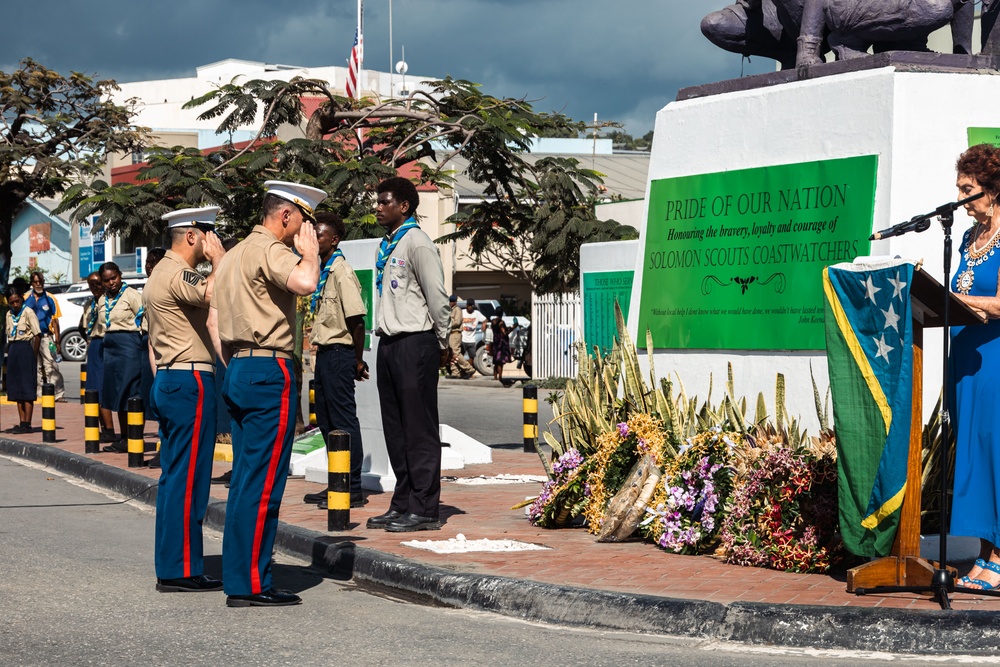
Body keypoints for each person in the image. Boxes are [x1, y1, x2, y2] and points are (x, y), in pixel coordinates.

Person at [213, 180, 324, 607]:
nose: (303, 231)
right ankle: (251, 583)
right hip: (268, 367)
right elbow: (304, 282)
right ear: (285, 215)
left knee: (244, 479)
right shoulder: (270, 249)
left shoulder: (234, 254)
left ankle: (241, 576)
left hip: (239, 365)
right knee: (263, 484)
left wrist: (239, 362)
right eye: (302, 221)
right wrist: (310, 254)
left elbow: (218, 326)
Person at [143, 207, 226, 593]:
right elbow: (217, 291)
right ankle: (179, 569)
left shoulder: (161, 271)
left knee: (178, 477)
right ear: (192, 236)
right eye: (207, 233)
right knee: (188, 479)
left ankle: (176, 564)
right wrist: (220, 259)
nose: (211, 240)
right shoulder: (178, 272)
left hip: (173, 378)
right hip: (188, 378)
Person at [369, 176, 450, 533]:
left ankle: (425, 507)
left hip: (415, 342)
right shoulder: (385, 246)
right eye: (377, 201)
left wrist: (443, 341)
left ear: (404, 206)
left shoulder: (417, 242)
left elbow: (437, 295)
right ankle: (402, 502)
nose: (377, 207)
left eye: (384, 202)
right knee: (396, 430)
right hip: (388, 343)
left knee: (419, 428)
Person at [949, 142, 1000, 590]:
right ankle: (983, 554)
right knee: (974, 457)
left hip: (995, 362)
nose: (963, 198)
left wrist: (959, 302)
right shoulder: (967, 238)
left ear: (992, 189)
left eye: (970, 190)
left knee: (995, 452)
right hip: (965, 360)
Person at [303, 211, 369, 511]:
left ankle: (352, 487)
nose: (315, 238)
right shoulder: (324, 271)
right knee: (328, 422)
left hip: (340, 354)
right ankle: (337, 483)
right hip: (325, 355)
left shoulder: (341, 272)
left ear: (334, 239)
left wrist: (357, 360)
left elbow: (357, 321)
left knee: (343, 421)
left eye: (320, 234)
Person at [97, 262, 144, 453]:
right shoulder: (102, 300)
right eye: (106, 280)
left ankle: (134, 436)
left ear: (120, 275)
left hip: (129, 345)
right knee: (116, 393)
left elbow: (144, 318)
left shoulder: (131, 295)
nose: (111, 283)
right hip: (110, 347)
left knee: (130, 392)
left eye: (114, 278)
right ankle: (123, 437)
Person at [79, 271, 117, 442]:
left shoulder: (109, 302)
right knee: (93, 389)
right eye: (91, 284)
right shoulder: (89, 304)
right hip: (93, 344)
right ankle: (103, 428)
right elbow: (83, 326)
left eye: (97, 283)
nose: (94, 287)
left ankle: (109, 429)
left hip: (105, 343)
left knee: (102, 389)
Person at [24, 271, 65, 401]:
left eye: (40, 281)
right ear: (32, 283)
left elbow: (55, 320)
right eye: (35, 282)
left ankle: (58, 394)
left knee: (51, 365)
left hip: (46, 337)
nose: (38, 284)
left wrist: (57, 341)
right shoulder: (25, 298)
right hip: (30, 337)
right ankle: (39, 394)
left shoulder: (50, 298)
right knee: (35, 366)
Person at [5, 286, 41, 433]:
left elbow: (37, 334)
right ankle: (21, 422)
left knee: (27, 387)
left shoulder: (28, 312)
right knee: (16, 388)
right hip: (13, 349)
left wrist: (33, 355)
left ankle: (28, 423)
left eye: (17, 301)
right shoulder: (8, 314)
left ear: (22, 299)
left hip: (25, 349)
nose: (15, 305)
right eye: (12, 302)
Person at [141, 247, 167, 432]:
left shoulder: (163, 288)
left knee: (163, 399)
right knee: (151, 398)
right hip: (147, 345)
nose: (148, 266)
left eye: (153, 262)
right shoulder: (148, 287)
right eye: (147, 262)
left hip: (161, 349)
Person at [447, 295, 475, 379]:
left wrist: (447, 324)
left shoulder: (457, 310)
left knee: (456, 353)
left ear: (455, 302)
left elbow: (457, 322)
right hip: (450, 333)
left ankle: (469, 369)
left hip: (456, 333)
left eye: (452, 301)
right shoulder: (450, 310)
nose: (451, 303)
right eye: (450, 301)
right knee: (452, 353)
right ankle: (455, 372)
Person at [460, 299, 486, 368]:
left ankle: (469, 371)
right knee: (460, 356)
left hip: (472, 339)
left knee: (472, 357)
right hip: (462, 338)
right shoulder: (462, 312)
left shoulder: (476, 313)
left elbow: (485, 319)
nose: (470, 307)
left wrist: (484, 324)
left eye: (472, 305)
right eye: (469, 305)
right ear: (466, 305)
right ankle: (461, 371)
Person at [490, 308, 513, 386]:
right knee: (500, 362)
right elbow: (504, 333)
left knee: (496, 361)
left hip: (495, 341)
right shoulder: (501, 322)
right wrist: (512, 328)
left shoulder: (493, 321)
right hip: (501, 343)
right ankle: (500, 378)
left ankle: (495, 377)